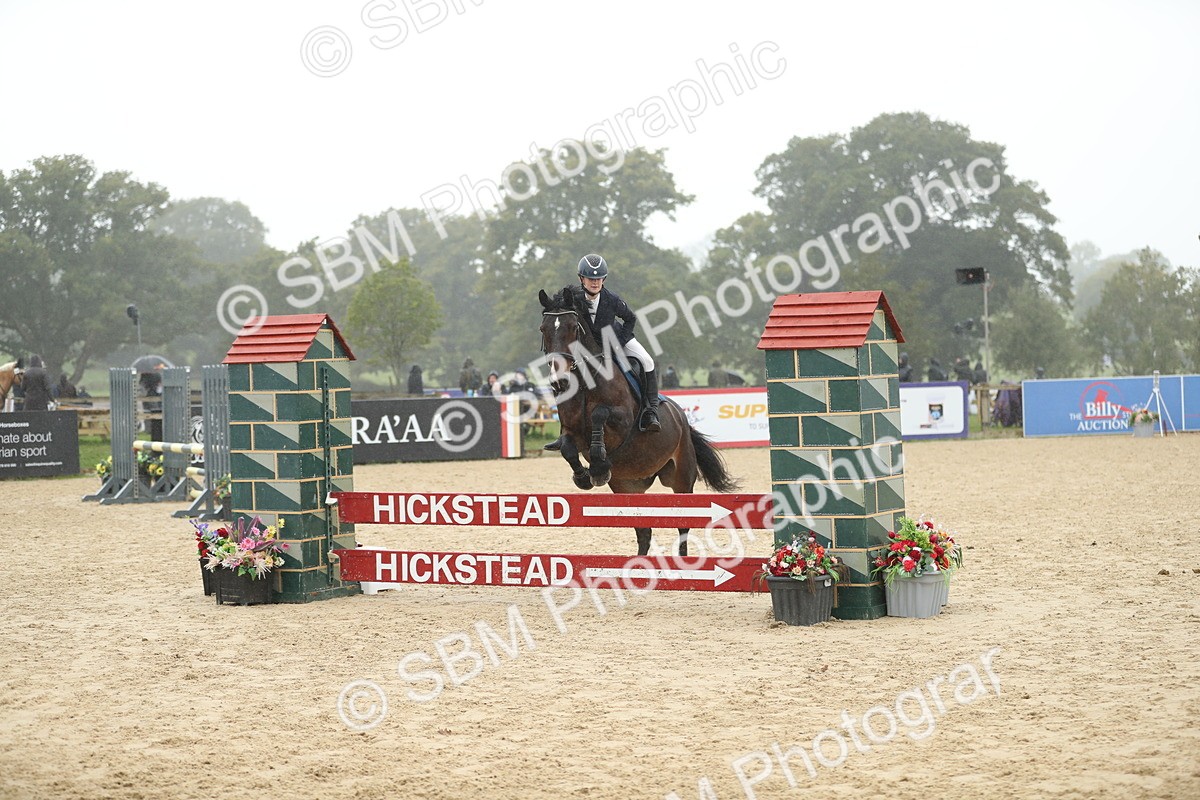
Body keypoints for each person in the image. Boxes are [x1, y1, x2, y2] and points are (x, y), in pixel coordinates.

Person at [544, 254, 660, 451]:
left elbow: (630, 319)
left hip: (616, 338)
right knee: (561, 375)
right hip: (589, 347)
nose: (595, 282)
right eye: (591, 278)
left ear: (603, 280)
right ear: (582, 279)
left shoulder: (612, 299)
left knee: (647, 361)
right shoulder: (575, 299)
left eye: (599, 279)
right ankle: (565, 430)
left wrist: (619, 343)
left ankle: (651, 411)